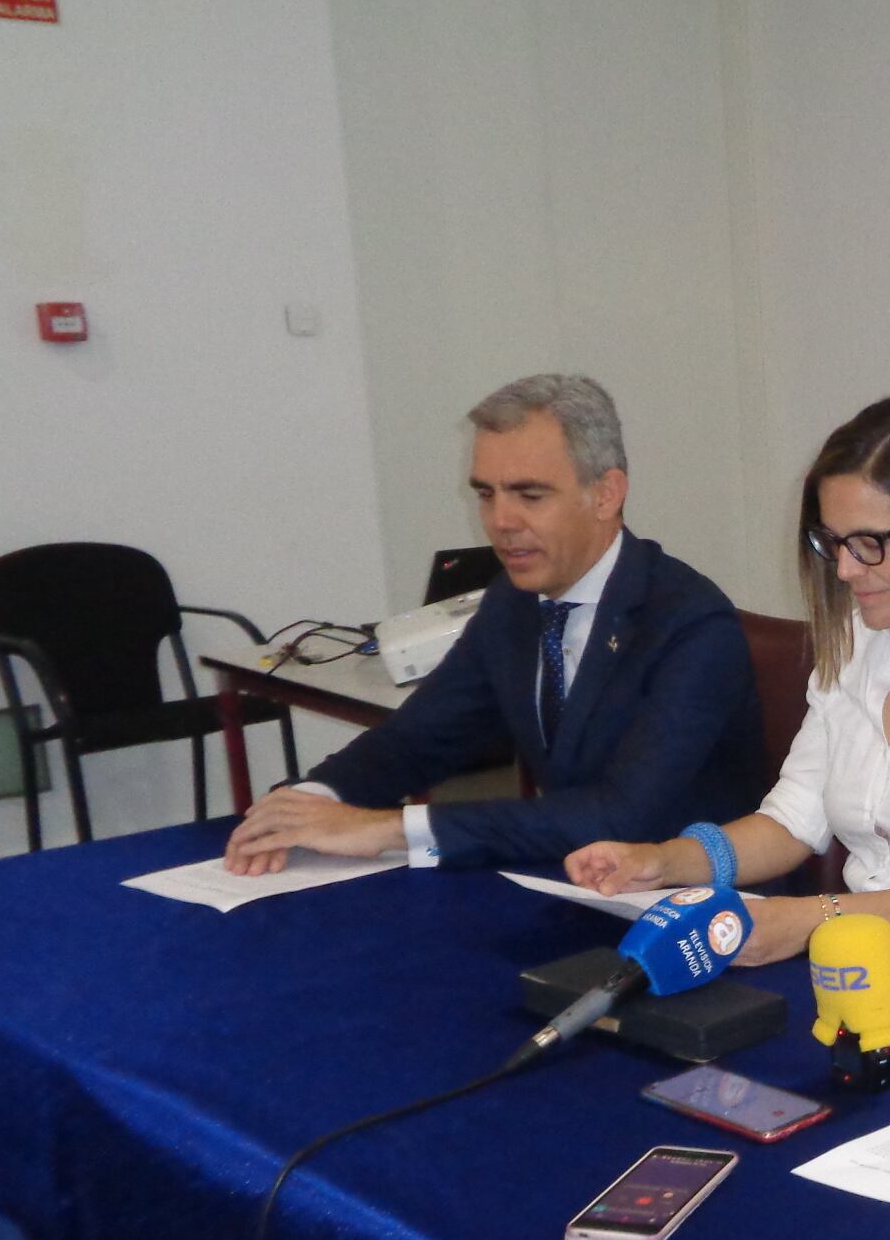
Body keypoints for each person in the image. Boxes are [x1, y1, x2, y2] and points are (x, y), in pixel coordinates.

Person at [565, 396, 890, 974]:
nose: (843, 571)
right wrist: (663, 863)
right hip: (856, 945)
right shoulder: (857, 641)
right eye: (832, 543)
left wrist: (810, 919)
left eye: (869, 543)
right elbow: (791, 822)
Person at [224, 374, 764, 872]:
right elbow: (418, 741)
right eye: (487, 494)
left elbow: (620, 818)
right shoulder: (514, 602)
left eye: (530, 495)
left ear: (605, 493)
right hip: (571, 884)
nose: (501, 522)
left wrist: (386, 828)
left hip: (692, 912)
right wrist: (310, 804)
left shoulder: (688, 624)